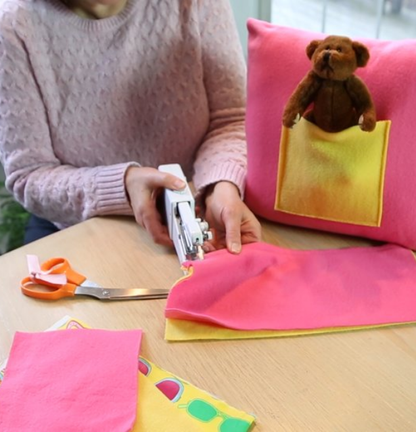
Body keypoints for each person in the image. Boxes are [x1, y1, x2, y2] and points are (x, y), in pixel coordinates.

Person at [0, 0, 261, 254]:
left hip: (197, 206)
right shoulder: (13, 25)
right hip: (80, 223)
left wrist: (220, 184)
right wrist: (123, 185)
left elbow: (231, 120)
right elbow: (29, 175)